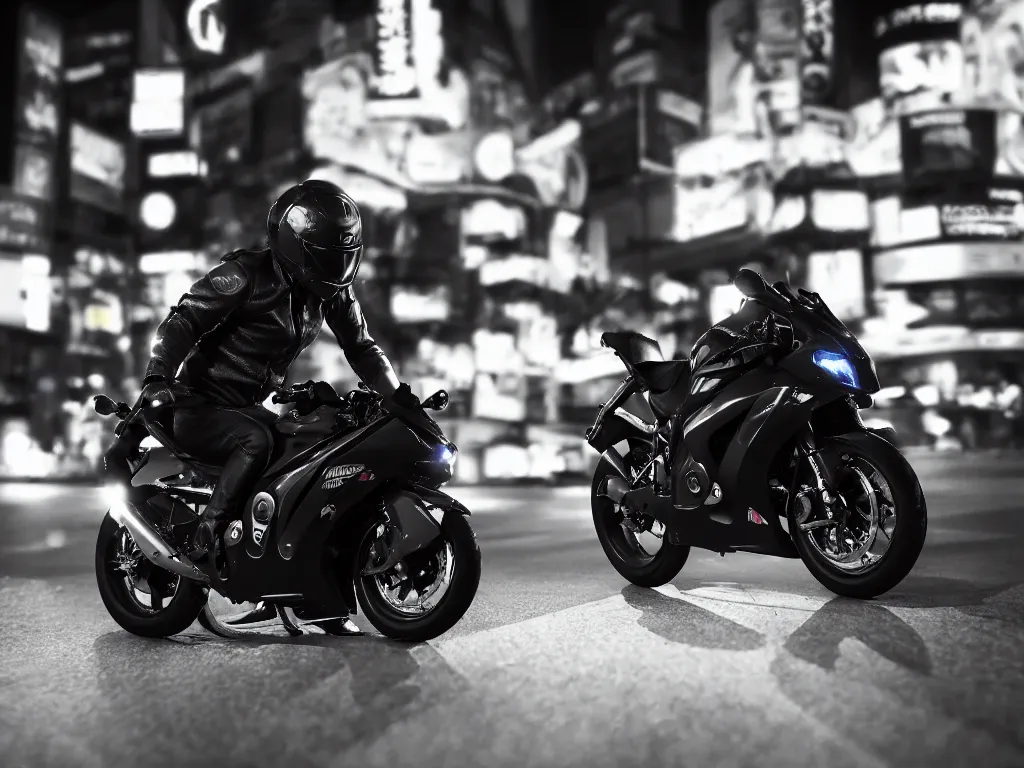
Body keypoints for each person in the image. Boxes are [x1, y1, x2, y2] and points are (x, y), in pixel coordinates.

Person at [117, 179, 419, 632]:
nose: (335, 266)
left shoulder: (330, 292)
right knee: (256, 442)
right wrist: (157, 378)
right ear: (293, 244)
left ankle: (291, 590)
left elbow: (362, 347)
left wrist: (398, 396)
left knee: (314, 455)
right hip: (200, 406)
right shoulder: (244, 275)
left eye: (343, 254)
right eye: (324, 254)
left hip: (249, 407)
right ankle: (207, 536)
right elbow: (182, 322)